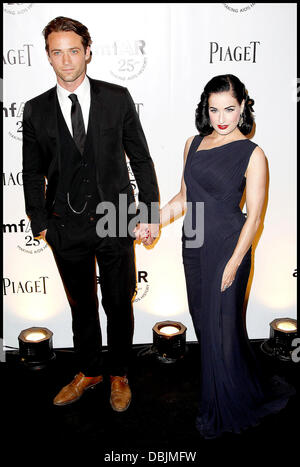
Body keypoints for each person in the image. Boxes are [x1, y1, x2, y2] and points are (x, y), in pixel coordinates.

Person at [22, 16, 159, 410]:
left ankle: (119, 372)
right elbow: (32, 173)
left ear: (87, 52)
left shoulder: (117, 98)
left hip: (115, 216)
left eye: (73, 51)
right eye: (56, 52)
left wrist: (148, 211)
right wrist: (40, 224)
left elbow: (142, 160)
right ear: (48, 56)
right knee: (81, 305)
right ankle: (89, 370)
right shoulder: (35, 110)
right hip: (64, 225)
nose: (66, 60)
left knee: (118, 301)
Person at [157, 74, 295, 438]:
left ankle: (227, 402)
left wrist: (234, 263)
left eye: (230, 109)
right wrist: (154, 222)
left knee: (222, 328)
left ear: (244, 107)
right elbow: (184, 197)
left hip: (228, 248)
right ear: (206, 108)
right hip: (194, 243)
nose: (221, 117)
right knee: (205, 325)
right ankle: (235, 382)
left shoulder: (253, 154)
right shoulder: (193, 144)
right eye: (214, 109)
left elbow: (255, 218)